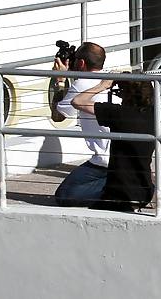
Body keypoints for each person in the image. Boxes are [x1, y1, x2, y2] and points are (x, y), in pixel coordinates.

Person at [72, 76, 156, 213]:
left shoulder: (119, 114)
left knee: (65, 194)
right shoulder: (153, 115)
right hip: (144, 191)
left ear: (126, 94)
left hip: (120, 196)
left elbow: (77, 101)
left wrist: (102, 85)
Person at [51, 42, 118, 206]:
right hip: (123, 156)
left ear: (80, 63)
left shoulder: (81, 84)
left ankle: (120, 190)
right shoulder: (110, 79)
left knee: (65, 195)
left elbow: (58, 116)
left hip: (103, 162)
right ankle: (126, 182)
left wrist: (60, 80)